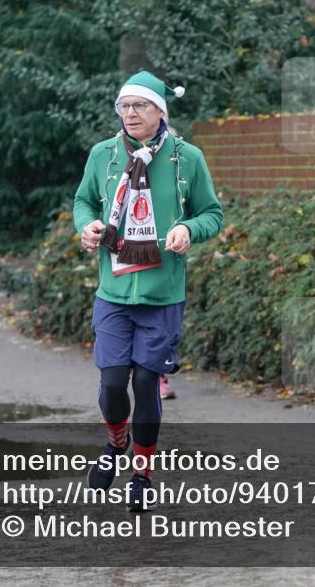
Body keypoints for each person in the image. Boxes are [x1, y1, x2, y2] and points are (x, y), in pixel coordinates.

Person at [73, 70, 222, 511]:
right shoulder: (103, 154)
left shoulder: (186, 158)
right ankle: (115, 444)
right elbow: (82, 201)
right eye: (125, 106)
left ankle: (142, 471)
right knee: (114, 382)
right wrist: (87, 226)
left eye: (140, 106)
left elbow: (212, 213)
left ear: (161, 111)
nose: (131, 113)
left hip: (162, 295)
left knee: (146, 381)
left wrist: (188, 229)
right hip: (113, 291)